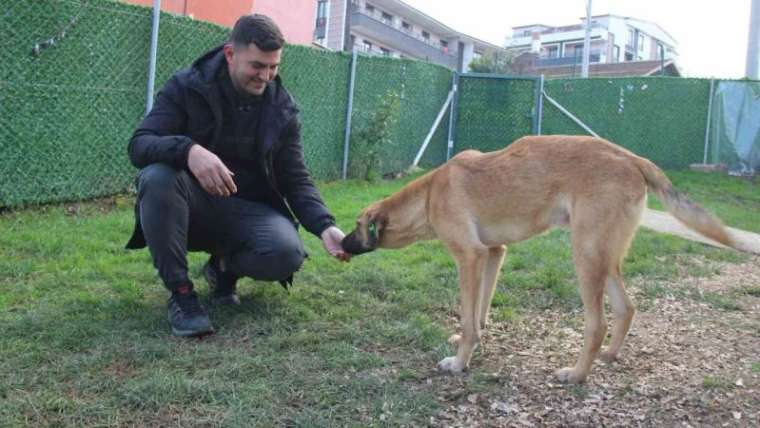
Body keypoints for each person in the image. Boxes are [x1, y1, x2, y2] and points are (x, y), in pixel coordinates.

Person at [125, 14, 349, 337]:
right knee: (157, 178)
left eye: (273, 67)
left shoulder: (282, 108)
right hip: (192, 207)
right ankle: (182, 295)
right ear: (231, 54)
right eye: (257, 66)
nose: (266, 76)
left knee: (287, 253)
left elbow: (295, 177)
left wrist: (325, 226)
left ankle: (223, 268)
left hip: (249, 211)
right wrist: (189, 150)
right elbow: (139, 144)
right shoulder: (187, 86)